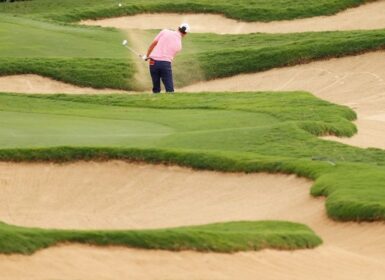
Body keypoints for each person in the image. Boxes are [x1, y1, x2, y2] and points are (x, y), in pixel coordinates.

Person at [144, 23, 190, 93]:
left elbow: (153, 44)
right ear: (185, 34)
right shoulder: (179, 46)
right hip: (165, 64)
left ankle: (156, 101)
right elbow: (170, 58)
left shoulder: (164, 31)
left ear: (178, 28)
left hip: (153, 62)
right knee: (170, 90)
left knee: (156, 89)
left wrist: (147, 56)